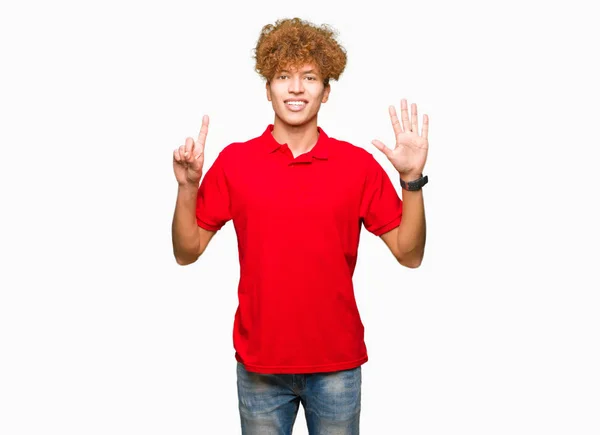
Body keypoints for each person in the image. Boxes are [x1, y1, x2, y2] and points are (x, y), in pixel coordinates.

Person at [171, 17, 429, 435]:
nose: (295, 88)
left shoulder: (356, 166)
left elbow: (410, 253)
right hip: (260, 368)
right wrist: (187, 188)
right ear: (268, 89)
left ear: (326, 91)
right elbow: (186, 251)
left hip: (337, 367)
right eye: (283, 76)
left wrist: (411, 181)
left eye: (309, 77)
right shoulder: (236, 163)